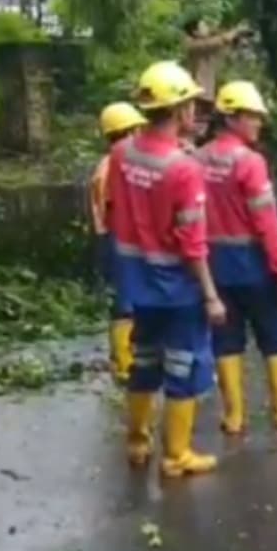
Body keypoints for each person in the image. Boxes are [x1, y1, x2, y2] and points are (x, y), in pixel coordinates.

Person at [108, 60, 227, 478]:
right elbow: (192, 243)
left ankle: (138, 443)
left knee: (143, 362)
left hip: (136, 283)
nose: (195, 112)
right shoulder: (184, 170)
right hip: (176, 287)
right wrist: (211, 295)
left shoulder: (122, 153)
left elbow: (115, 209)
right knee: (183, 365)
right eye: (191, 104)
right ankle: (176, 456)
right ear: (180, 111)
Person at [197, 81, 277, 434]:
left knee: (226, 340)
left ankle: (234, 416)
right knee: (274, 336)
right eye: (253, 117)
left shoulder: (197, 159)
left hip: (213, 264)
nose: (258, 123)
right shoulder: (250, 162)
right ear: (232, 118)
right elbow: (267, 221)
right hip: (253, 262)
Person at [90, 102, 148, 383]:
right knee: (125, 302)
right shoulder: (118, 163)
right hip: (120, 237)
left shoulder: (107, 163)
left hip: (111, 237)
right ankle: (125, 363)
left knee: (124, 298)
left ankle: (126, 357)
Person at [182, 16, 252, 104]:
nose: (207, 28)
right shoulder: (193, 45)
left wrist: (237, 39)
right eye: (203, 26)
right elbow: (219, 41)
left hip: (209, 93)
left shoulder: (208, 45)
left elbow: (224, 46)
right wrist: (236, 31)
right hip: (198, 92)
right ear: (195, 32)